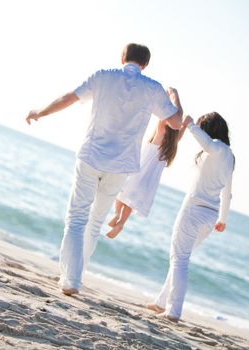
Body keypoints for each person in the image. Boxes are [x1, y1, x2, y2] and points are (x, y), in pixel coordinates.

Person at [25, 43, 183, 296]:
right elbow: (176, 122)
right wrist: (174, 96)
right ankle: (75, 277)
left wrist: (40, 112)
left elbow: (68, 97)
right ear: (145, 64)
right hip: (120, 167)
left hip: (91, 157)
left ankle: (71, 279)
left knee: (77, 219)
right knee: (95, 222)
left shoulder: (103, 76)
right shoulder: (152, 89)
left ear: (123, 57)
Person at [146, 112, 234, 322]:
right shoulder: (230, 155)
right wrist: (223, 218)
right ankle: (161, 302)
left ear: (209, 130)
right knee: (181, 257)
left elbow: (207, 143)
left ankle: (173, 310)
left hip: (194, 211)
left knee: (179, 259)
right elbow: (227, 192)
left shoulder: (215, 147)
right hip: (210, 216)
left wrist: (191, 125)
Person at [106, 117, 191, 239]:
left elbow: (162, 119)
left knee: (121, 192)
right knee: (131, 200)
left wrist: (169, 110)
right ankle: (121, 223)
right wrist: (184, 125)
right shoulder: (171, 145)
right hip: (147, 183)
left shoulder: (159, 136)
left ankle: (117, 214)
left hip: (137, 174)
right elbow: (179, 135)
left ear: (165, 127)